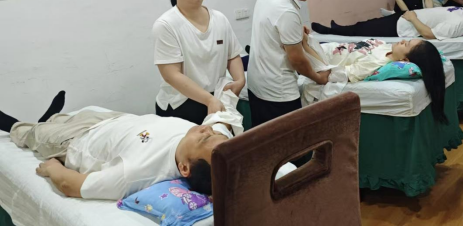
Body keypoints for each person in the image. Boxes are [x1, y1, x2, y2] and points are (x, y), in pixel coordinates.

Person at [0, 91, 293, 200]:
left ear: (184, 168)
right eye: (211, 132)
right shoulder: (215, 141)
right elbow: (221, 120)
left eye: (204, 137)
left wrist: (51, 167)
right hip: (117, 120)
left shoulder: (137, 172)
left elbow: (71, 185)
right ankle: (50, 117)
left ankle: (14, 125)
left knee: (34, 134)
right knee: (62, 117)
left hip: (77, 141)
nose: (205, 130)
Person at [153, 0, 245, 125]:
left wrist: (240, 80)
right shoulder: (166, 25)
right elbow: (171, 75)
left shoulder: (219, 19)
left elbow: (232, 55)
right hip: (181, 102)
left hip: (215, 98)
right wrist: (209, 100)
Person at [247, 0, 329, 128]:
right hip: (279, 94)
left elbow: (272, 29)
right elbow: (297, 60)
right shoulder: (287, 10)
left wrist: (296, 32)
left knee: (263, 140)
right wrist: (318, 78)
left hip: (256, 87)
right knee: (289, 142)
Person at [302, 36, 448, 123]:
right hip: (324, 47)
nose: (402, 40)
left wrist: (306, 45)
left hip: (318, 56)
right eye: (407, 40)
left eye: (406, 44)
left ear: (405, 60)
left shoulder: (375, 64)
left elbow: (330, 75)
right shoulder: (385, 46)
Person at [312, 5, 463, 40]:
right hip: (403, 18)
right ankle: (338, 28)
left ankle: (330, 32)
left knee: (362, 30)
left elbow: (430, 34)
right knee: (364, 24)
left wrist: (413, 19)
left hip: (403, 26)